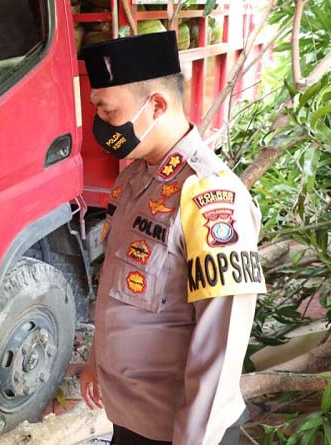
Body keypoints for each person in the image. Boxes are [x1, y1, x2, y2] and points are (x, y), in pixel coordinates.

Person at [77, 31, 266, 445]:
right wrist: (96, 362)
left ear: (157, 105)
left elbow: (221, 341)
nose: (101, 125)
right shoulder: (133, 180)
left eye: (107, 112)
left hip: (180, 431)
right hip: (130, 418)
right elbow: (117, 286)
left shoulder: (210, 198)